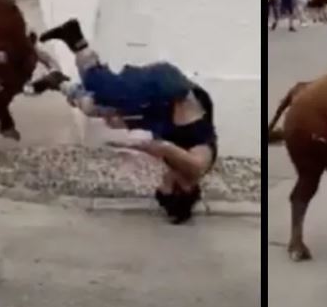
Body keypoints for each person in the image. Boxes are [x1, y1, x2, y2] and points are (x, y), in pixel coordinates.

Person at [29, 19, 218, 224]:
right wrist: (132, 145)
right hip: (169, 88)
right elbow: (164, 146)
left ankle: (58, 81)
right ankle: (76, 39)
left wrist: (124, 123)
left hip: (159, 107)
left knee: (92, 107)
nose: (162, 179)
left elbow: (163, 132)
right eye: (165, 184)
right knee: (105, 89)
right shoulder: (196, 167)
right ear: (182, 190)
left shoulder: (180, 168)